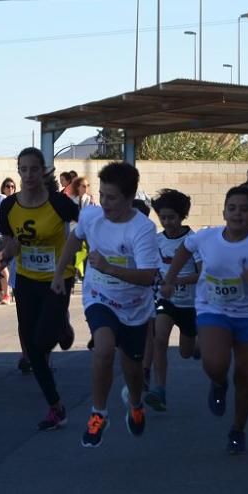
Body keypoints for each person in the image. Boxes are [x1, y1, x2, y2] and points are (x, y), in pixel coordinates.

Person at [162, 186, 248, 455]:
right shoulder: (207, 237)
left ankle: (238, 428)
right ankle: (218, 383)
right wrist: (170, 278)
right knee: (215, 363)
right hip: (212, 309)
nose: (237, 214)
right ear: (224, 211)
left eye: (244, 209)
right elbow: (184, 248)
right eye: (232, 208)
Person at [51, 162, 160, 448]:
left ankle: (136, 405)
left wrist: (110, 268)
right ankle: (98, 413)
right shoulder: (91, 216)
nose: (105, 203)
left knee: (133, 370)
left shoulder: (143, 229)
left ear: (129, 197)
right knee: (103, 348)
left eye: (112, 197)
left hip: (134, 306)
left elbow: (149, 276)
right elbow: (73, 241)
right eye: (102, 195)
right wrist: (60, 274)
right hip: (99, 297)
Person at [0, 148, 79, 431]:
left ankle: (60, 326)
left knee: (43, 340)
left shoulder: (60, 203)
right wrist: (3, 256)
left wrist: (89, 252)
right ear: (18, 171)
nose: (29, 175)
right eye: (24, 169)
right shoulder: (8, 206)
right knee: (33, 348)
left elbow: (83, 229)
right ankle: (56, 407)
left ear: (43, 171)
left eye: (35, 169)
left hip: (58, 277)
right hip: (27, 279)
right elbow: (9, 242)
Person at [144, 189, 200, 412]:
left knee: (186, 353)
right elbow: (153, 268)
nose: (167, 222)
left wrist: (176, 280)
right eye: (163, 217)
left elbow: (202, 274)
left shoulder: (193, 240)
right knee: (159, 339)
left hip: (189, 304)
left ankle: (196, 346)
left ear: (182, 216)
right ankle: (160, 389)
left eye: (171, 217)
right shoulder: (157, 241)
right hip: (165, 301)